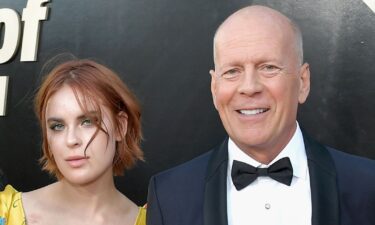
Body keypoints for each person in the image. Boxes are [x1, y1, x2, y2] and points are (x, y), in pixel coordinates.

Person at [147, 5, 375, 225]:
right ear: (215, 89)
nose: (249, 87)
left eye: (268, 67)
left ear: (303, 82)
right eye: (232, 71)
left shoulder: (367, 185)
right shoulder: (168, 196)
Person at [0, 59, 146, 224]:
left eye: (87, 122)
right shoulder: (5, 212)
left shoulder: (156, 220)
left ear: (120, 126)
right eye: (58, 126)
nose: (71, 140)